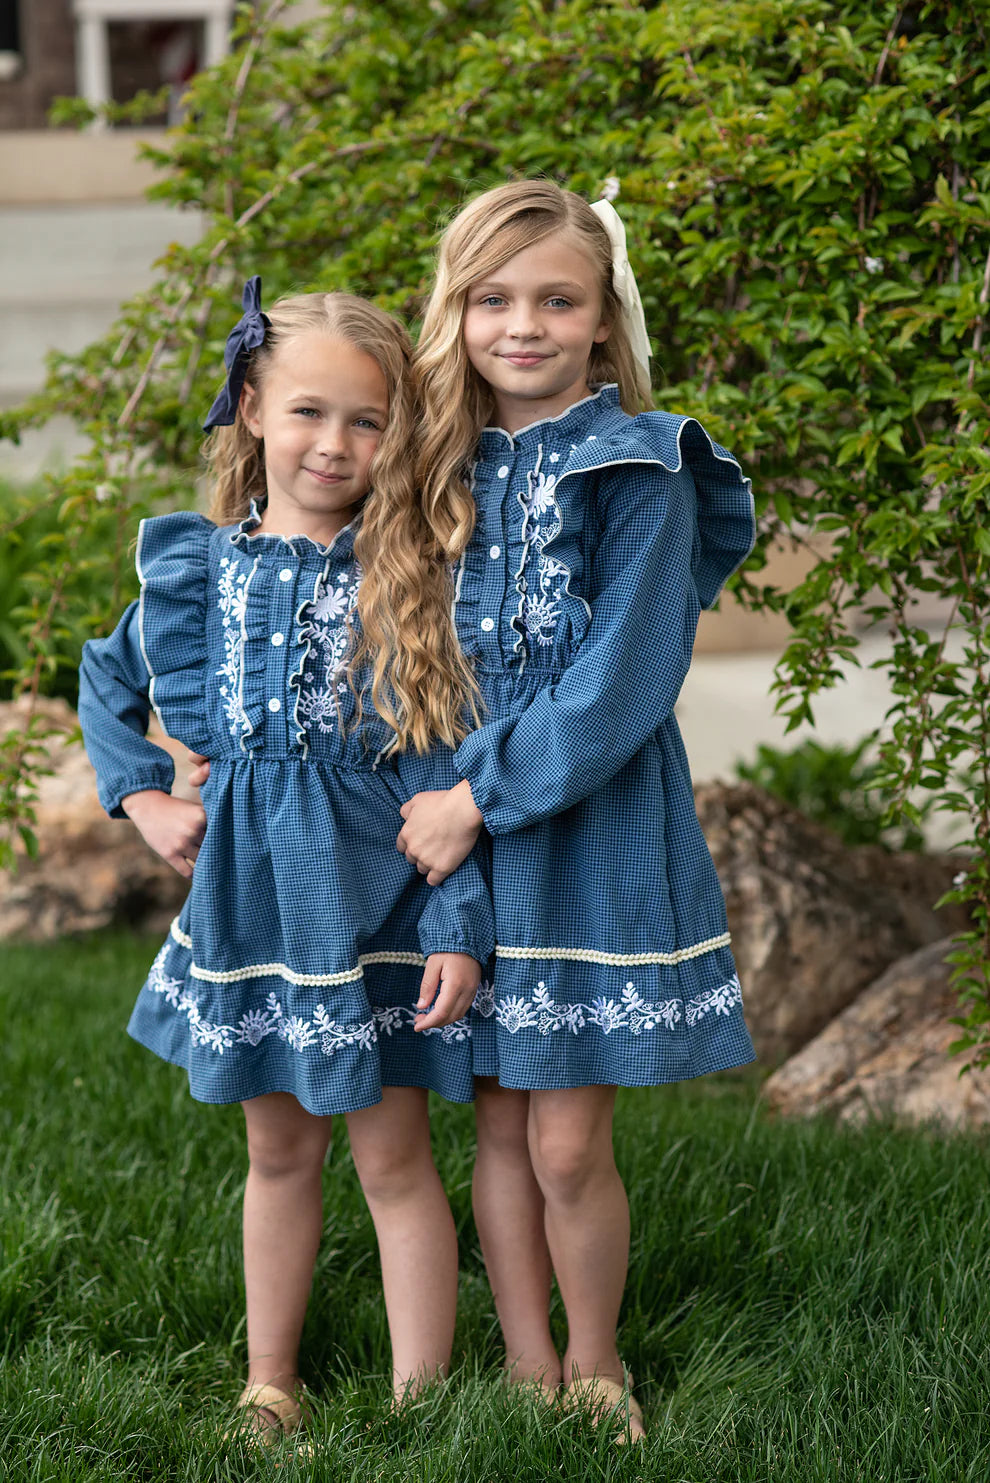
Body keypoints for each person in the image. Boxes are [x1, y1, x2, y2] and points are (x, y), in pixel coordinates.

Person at [78, 282, 494, 1443]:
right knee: (279, 1148)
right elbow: (106, 684)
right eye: (309, 411)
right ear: (252, 405)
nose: (335, 444)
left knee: (397, 1153)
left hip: (380, 903)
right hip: (255, 901)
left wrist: (457, 919)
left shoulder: (405, 578)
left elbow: (441, 773)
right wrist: (145, 794)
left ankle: (426, 1395)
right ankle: (271, 1380)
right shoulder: (198, 573)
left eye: (367, 422)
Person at [395, 180, 758, 1441]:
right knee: (498, 1122)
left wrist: (476, 801)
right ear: (456, 311)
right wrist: (448, 836)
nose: (524, 324)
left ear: (606, 320)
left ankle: (599, 1360)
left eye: (558, 298)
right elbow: (410, 664)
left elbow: (622, 683)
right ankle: (526, 1359)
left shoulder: (642, 467)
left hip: (586, 822)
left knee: (564, 1142)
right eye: (492, 298)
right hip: (462, 834)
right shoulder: (428, 473)